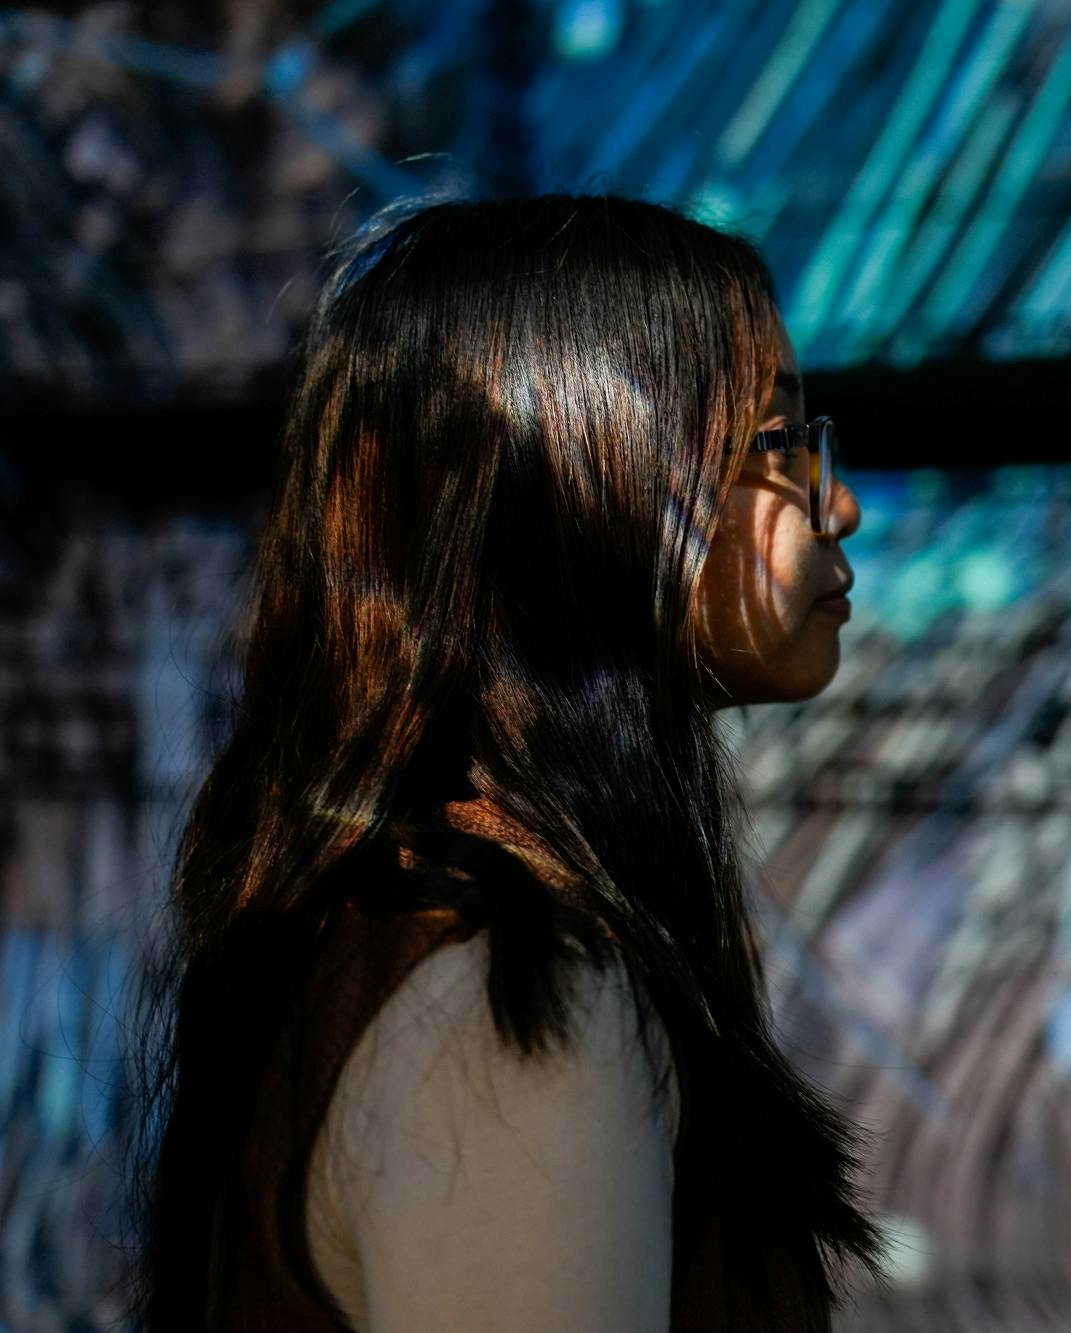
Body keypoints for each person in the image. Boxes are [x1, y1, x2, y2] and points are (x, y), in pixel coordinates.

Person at [120, 193, 885, 1330]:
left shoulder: (410, 928)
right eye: (772, 442)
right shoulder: (510, 985)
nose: (841, 504)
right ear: (577, 478)